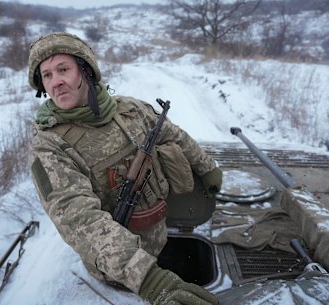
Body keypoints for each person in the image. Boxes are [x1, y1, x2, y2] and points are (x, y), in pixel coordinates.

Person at [28, 32, 222, 305]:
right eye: (46, 75)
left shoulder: (129, 110)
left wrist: (207, 168)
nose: (56, 82)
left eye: (63, 69)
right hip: (119, 274)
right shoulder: (50, 147)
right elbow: (80, 219)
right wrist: (149, 280)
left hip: (159, 239)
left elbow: (171, 134)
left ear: (86, 71)